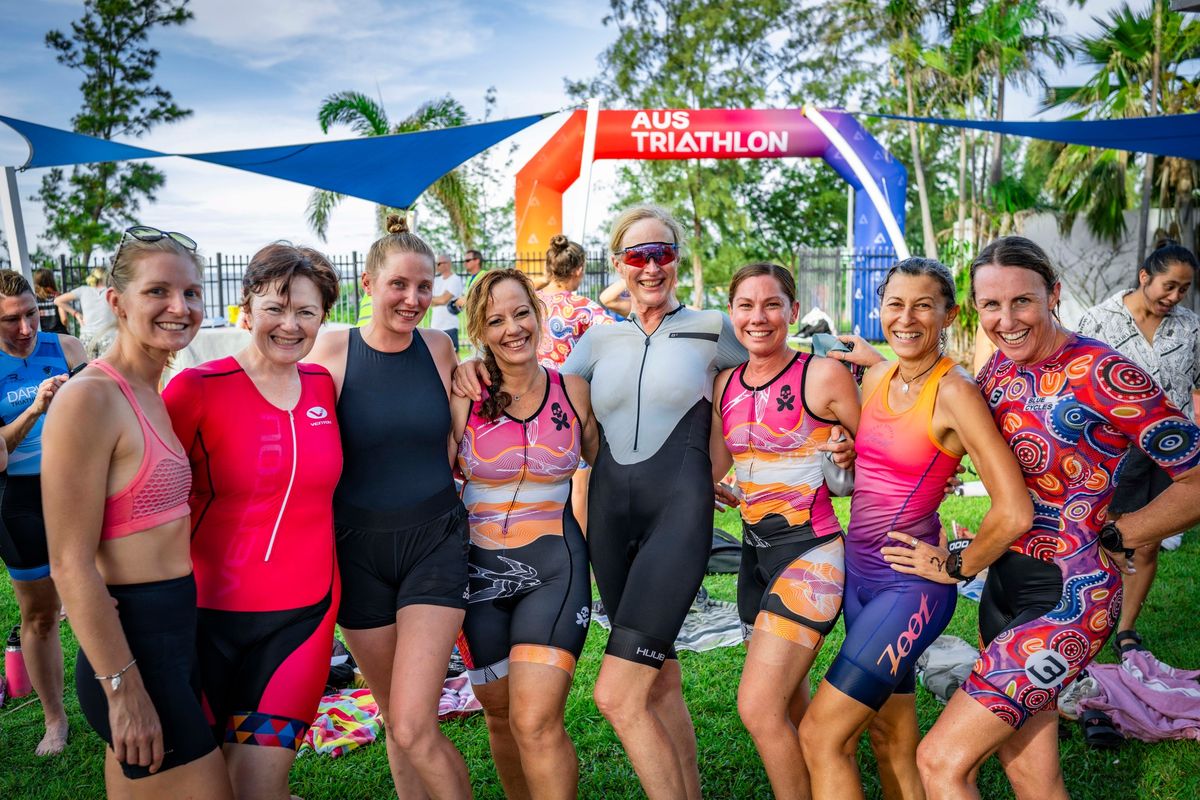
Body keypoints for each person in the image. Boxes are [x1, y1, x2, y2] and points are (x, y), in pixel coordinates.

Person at [882, 237, 1200, 800]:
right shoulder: (997, 371)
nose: (1007, 319)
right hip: (1007, 585)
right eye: (991, 305)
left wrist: (1122, 532)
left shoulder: (1103, 373)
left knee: (940, 763)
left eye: (1022, 302)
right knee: (1031, 773)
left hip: (1068, 596)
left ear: (1052, 294)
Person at [797, 258, 1031, 800]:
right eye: (896, 304)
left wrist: (955, 567)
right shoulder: (878, 376)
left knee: (821, 734)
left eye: (924, 305)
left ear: (948, 314)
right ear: (880, 309)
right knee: (888, 736)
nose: (907, 317)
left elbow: (1014, 508)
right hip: (860, 579)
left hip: (910, 589)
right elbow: (883, 461)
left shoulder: (956, 393)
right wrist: (848, 453)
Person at [43, 226, 233, 798]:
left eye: (193, 293)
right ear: (116, 301)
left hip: (177, 628)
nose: (181, 307)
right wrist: (123, 693)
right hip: (133, 646)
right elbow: (69, 564)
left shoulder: (154, 390)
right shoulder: (90, 399)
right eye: (159, 292)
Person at [163, 244, 343, 800]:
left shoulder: (324, 386)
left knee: (259, 788)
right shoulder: (196, 388)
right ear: (246, 307)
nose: (290, 325)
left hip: (301, 624)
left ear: (323, 319)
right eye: (274, 308)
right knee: (205, 786)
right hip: (203, 622)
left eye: (306, 312)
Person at [307, 214, 470, 800]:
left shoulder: (440, 347)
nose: (413, 299)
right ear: (369, 282)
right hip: (356, 556)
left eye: (424, 286)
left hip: (434, 544)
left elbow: (461, 433)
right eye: (399, 285)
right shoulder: (329, 350)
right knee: (395, 720)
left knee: (412, 722)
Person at [709, 262, 861, 800]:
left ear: (793, 312)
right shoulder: (725, 383)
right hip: (753, 562)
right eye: (746, 306)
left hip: (810, 556)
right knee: (789, 704)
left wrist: (849, 454)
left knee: (757, 706)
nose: (759, 317)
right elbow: (712, 465)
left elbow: (883, 456)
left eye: (771, 304)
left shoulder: (820, 375)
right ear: (732, 314)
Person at [453, 268, 598, 799]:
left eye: (520, 313)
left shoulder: (573, 391)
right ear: (479, 331)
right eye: (495, 320)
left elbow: (619, 462)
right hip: (476, 575)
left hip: (554, 569)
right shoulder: (463, 394)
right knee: (500, 716)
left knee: (535, 719)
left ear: (539, 317)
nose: (512, 328)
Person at [1076, 239, 1199, 655]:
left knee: (1146, 540)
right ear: (1144, 276)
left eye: (1183, 289)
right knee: (1107, 537)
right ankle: (1092, 619)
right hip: (1114, 451)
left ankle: (1126, 628)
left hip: (1173, 459)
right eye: (1168, 286)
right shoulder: (1097, 322)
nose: (1175, 296)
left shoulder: (1191, 327)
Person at [0, 270, 85, 756]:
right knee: (40, 615)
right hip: (19, 498)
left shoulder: (68, 349)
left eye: (32, 314)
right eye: (11, 321)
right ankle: (55, 720)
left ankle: (122, 695)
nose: (27, 328)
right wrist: (34, 410)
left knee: (112, 593)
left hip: (76, 488)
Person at [537, 233, 613, 535]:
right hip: (570, 403)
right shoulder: (583, 307)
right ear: (579, 269)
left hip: (533, 401)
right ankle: (581, 557)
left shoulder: (532, 302)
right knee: (579, 485)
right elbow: (618, 335)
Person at [55, 266, 118, 357]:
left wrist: (75, 314)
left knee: (89, 368)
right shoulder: (112, 292)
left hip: (87, 337)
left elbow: (57, 300)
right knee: (107, 369)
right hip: (107, 336)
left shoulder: (83, 290)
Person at [431, 252, 465, 352]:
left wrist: (436, 299)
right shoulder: (436, 280)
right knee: (437, 355)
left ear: (447, 264)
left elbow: (443, 299)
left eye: (438, 263)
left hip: (449, 325)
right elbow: (430, 301)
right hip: (435, 326)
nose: (437, 266)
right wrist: (438, 299)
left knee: (453, 355)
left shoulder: (455, 279)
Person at [33, 269, 69, 335]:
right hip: (59, 335)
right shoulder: (58, 296)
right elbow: (64, 320)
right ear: (51, 280)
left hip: (42, 335)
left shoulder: (34, 298)